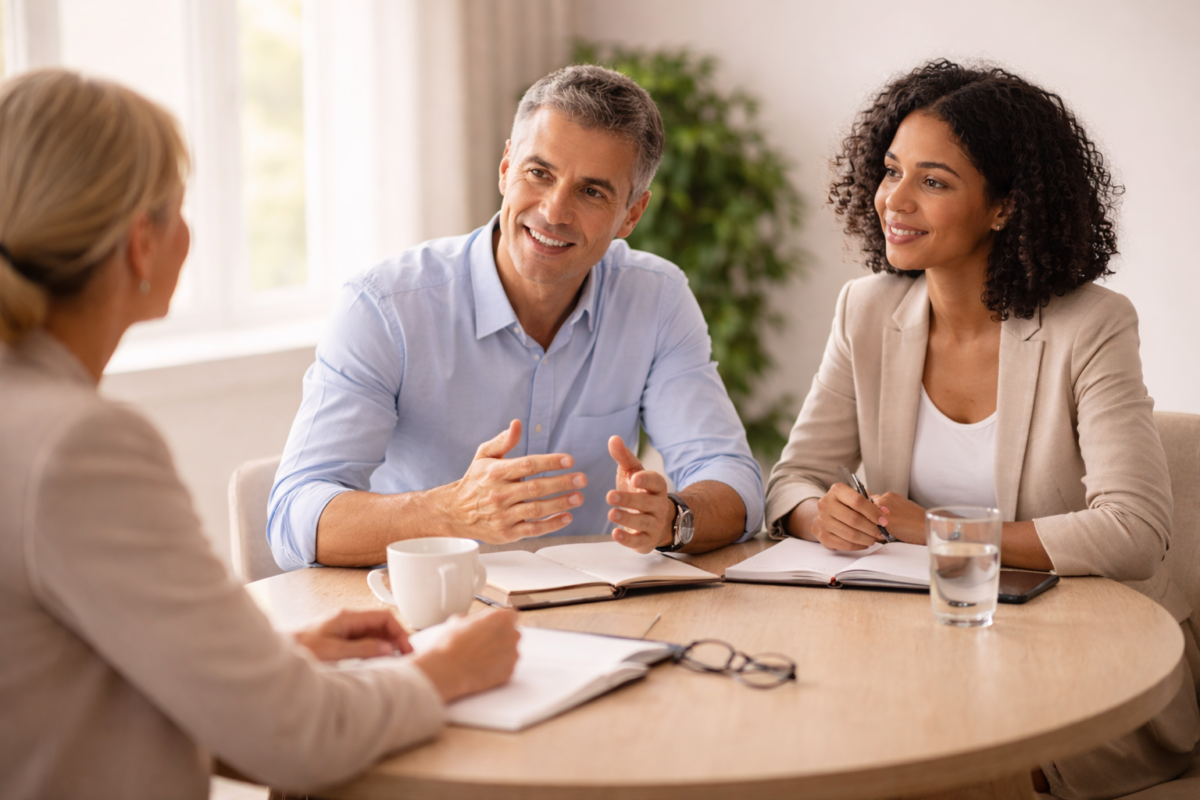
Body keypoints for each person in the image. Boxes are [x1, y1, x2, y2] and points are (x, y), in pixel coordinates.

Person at [0, 69, 520, 800]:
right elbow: (300, 740)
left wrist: (268, 659)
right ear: (140, 247)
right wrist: (448, 671)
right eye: (179, 206)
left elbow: (49, 662)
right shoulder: (78, 448)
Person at [766, 60, 1200, 798]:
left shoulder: (1090, 326)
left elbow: (1134, 530)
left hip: (1091, 665)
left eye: (933, 181)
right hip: (922, 651)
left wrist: (939, 532)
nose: (894, 200)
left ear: (1004, 207)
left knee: (941, 775)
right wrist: (821, 513)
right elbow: (792, 480)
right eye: (892, 170)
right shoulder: (865, 310)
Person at [268, 65, 763, 572]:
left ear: (632, 215)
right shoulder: (385, 306)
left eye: (592, 192)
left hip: (592, 617)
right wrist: (452, 511)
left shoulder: (656, 298)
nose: (553, 211)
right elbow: (294, 517)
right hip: (422, 617)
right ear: (506, 167)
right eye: (539, 173)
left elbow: (734, 480)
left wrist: (673, 519)